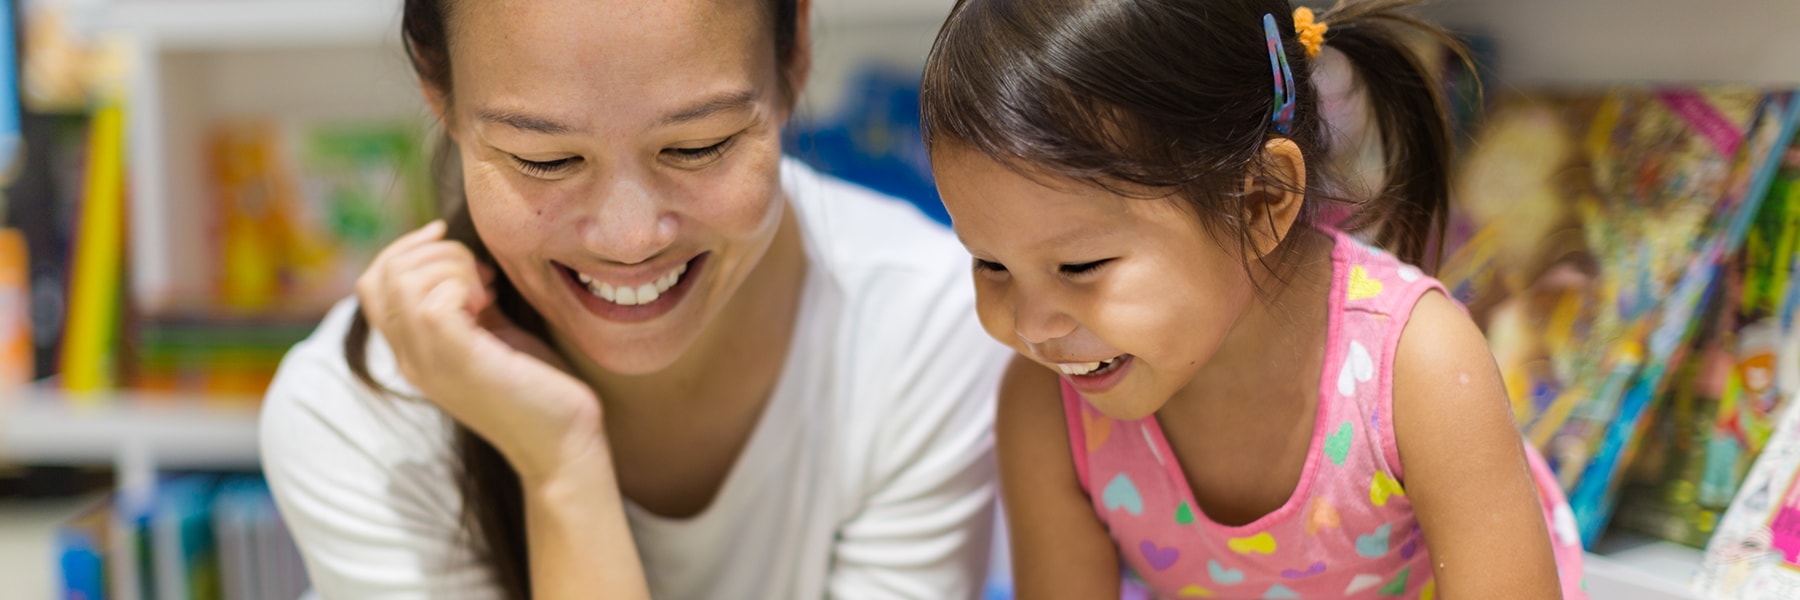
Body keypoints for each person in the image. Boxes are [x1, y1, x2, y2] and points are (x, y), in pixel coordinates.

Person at [259, 0, 1008, 598]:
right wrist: (559, 463)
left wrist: (559, 468)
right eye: (544, 160)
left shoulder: (930, 326)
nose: (630, 238)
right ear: (439, 93)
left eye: (697, 145)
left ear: (794, 53)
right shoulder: (357, 413)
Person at [919, 0, 1587, 598]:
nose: (1034, 325)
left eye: (1080, 265)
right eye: (990, 263)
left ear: (1261, 200)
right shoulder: (1048, 406)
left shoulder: (1419, 366)